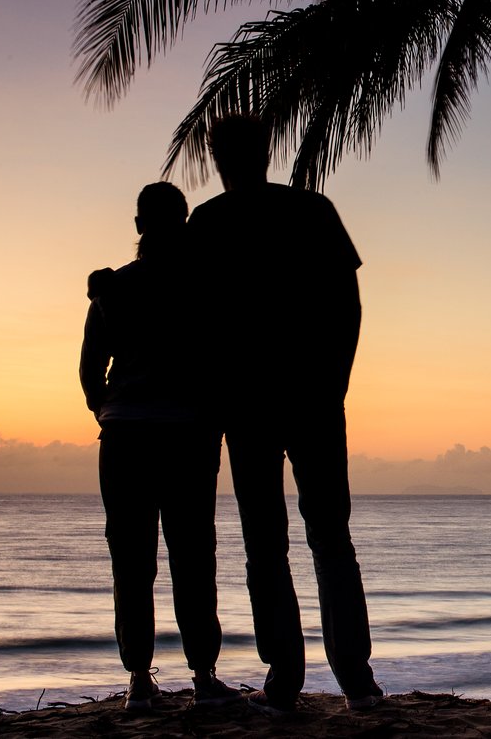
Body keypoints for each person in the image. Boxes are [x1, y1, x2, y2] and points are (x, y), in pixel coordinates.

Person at [187, 115, 381, 714]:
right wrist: (333, 384)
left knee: (285, 541)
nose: (223, 159)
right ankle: (332, 679)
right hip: (280, 402)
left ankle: (311, 678)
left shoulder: (230, 219)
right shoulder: (292, 212)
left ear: (239, 154)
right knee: (308, 539)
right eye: (221, 149)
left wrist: (333, 385)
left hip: (274, 402)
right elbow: (347, 307)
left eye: (224, 149)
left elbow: (347, 304)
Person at [79, 182, 242, 710]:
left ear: (138, 227)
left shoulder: (112, 288)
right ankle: (203, 675)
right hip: (188, 435)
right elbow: (224, 361)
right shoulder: (207, 286)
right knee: (194, 556)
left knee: (131, 559)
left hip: (125, 434)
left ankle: (140, 681)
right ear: (185, 221)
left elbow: (88, 369)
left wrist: (106, 407)